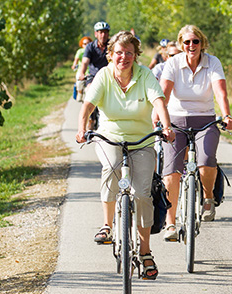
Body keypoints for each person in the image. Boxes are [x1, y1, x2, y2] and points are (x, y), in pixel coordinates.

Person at [75, 31, 175, 280]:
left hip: (141, 140)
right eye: (118, 52)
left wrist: (166, 126)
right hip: (110, 136)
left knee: (142, 193)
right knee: (110, 171)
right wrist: (82, 128)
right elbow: (88, 105)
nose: (124, 57)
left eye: (129, 52)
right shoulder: (103, 76)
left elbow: (159, 101)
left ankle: (145, 252)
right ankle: (107, 226)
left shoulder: (145, 75)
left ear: (135, 55)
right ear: (110, 55)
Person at [157, 25, 232, 241]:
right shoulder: (173, 63)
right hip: (175, 120)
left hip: (205, 119)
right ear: (181, 44)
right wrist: (159, 118)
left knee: (207, 158)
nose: (191, 46)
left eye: (195, 41)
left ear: (202, 43)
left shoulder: (213, 62)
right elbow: (164, 93)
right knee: (171, 170)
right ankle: (170, 223)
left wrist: (226, 115)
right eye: (187, 42)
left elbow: (220, 92)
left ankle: (208, 197)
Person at [76, 21, 111, 130]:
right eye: (100, 32)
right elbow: (85, 62)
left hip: (109, 76)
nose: (103, 35)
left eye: (105, 32)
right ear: (96, 34)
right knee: (90, 92)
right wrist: (82, 72)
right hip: (93, 76)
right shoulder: (90, 47)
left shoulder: (112, 45)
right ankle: (91, 119)